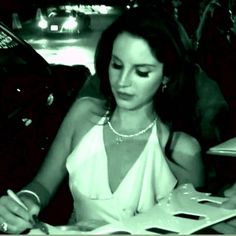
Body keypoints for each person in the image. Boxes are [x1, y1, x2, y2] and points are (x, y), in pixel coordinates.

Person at [0, 6, 205, 234]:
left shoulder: (182, 151)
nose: (122, 81)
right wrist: (24, 202)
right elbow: (42, 184)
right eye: (117, 65)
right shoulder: (84, 114)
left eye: (142, 72)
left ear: (167, 76)